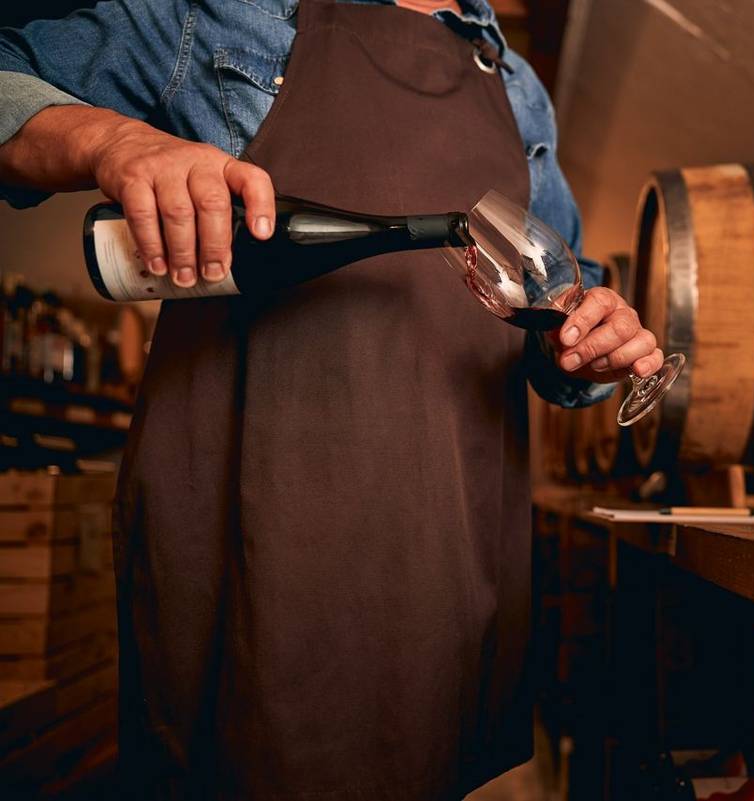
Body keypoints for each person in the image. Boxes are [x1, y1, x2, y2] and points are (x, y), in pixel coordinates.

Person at [0, 1, 663, 798]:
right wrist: (115, 140)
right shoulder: (224, 18)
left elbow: (559, 306)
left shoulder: (519, 89)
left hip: (445, 560)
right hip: (253, 551)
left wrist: (593, 340)